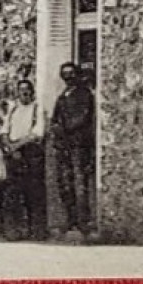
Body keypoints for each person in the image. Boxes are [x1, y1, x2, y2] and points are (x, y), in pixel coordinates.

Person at [49, 62, 96, 238]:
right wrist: (55, 128)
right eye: (64, 75)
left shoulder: (84, 94)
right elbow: (55, 117)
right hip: (63, 145)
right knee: (65, 183)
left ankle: (84, 222)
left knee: (80, 183)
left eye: (70, 74)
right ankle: (70, 219)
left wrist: (66, 128)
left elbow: (83, 117)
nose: (67, 78)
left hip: (78, 144)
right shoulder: (62, 96)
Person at [0, 78, 47, 239]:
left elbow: (37, 133)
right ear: (17, 92)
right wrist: (9, 147)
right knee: (13, 193)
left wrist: (17, 146)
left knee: (34, 193)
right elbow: (4, 131)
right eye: (21, 90)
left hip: (31, 154)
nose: (24, 93)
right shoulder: (13, 110)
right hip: (14, 155)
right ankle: (17, 230)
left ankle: (37, 230)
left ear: (32, 92)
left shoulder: (37, 109)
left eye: (27, 90)